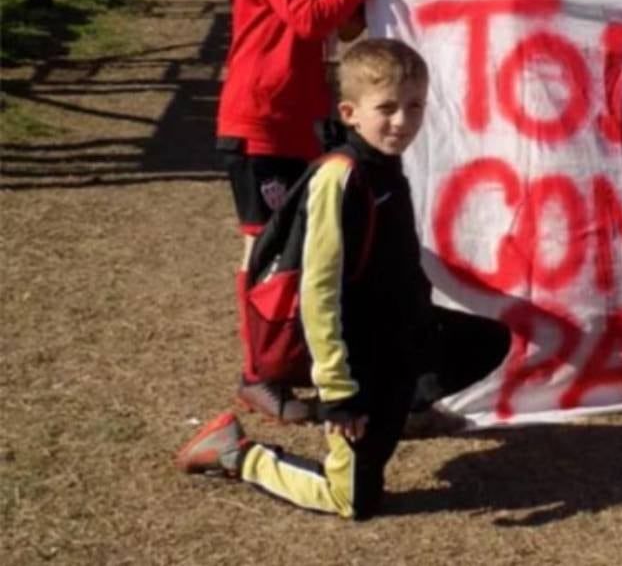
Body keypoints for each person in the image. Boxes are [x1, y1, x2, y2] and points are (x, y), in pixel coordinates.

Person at [178, 39, 512, 519]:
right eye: (387, 108)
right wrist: (338, 393)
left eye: (415, 106)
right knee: (353, 501)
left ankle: (400, 411)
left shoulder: (387, 166)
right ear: (351, 112)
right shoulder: (340, 176)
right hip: (359, 359)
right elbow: (319, 293)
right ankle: (235, 451)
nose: (402, 121)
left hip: (401, 336)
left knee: (486, 340)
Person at [215, 0, 382, 422]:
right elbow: (309, 21)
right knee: (263, 248)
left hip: (296, 124)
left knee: (295, 247)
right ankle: (256, 371)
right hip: (259, 124)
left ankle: (284, 358)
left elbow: (343, 27)